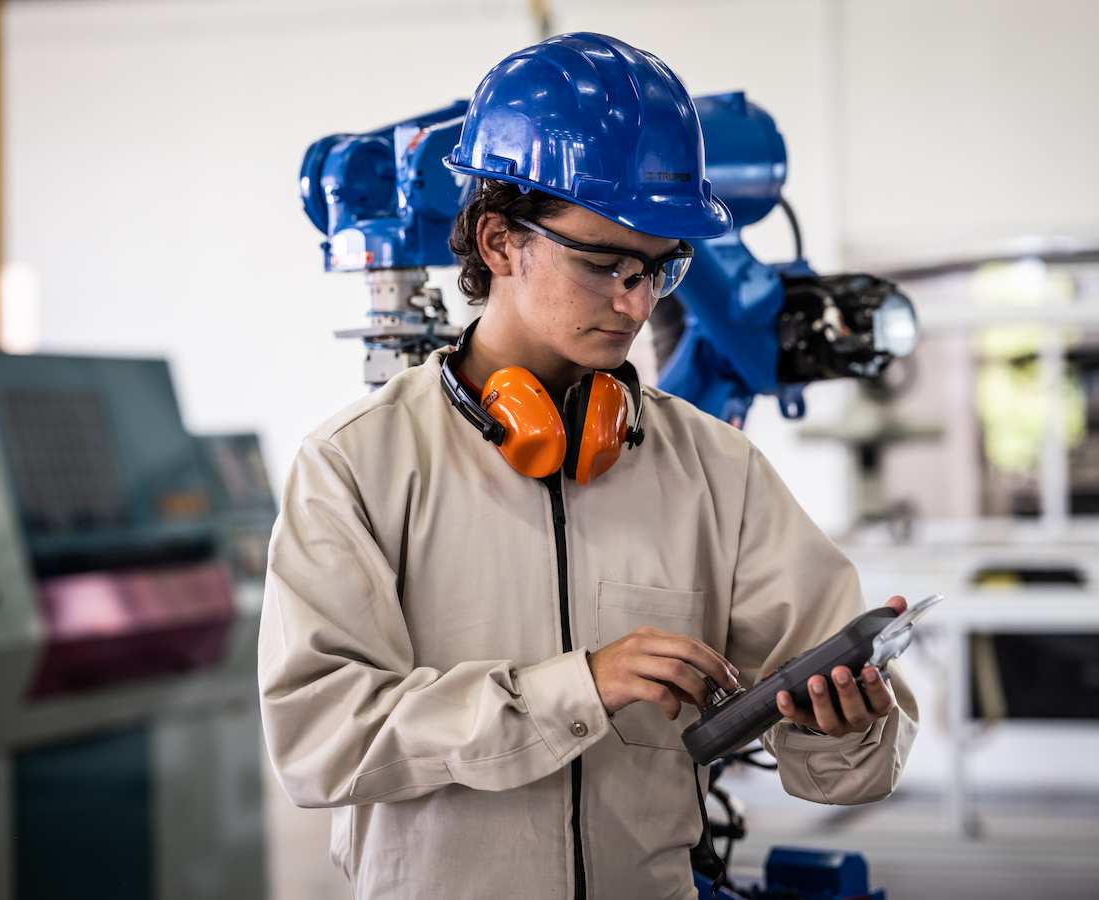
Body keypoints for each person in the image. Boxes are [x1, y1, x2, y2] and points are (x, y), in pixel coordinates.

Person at [259, 32, 918, 900]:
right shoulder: (357, 468)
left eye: (658, 268)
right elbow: (319, 740)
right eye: (605, 262)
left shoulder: (716, 470)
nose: (636, 301)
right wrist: (576, 688)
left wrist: (847, 725)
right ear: (498, 242)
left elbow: (844, 770)